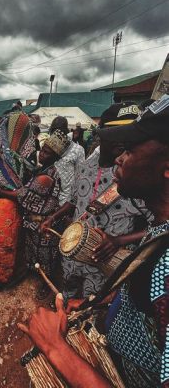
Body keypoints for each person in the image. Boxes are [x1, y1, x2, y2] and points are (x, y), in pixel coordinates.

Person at [19, 95, 169, 387]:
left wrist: (56, 348)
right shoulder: (160, 230)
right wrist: (98, 302)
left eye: (131, 149)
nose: (119, 158)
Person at [42, 103, 150, 302]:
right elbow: (74, 202)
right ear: (102, 135)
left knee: (92, 306)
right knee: (67, 297)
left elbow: (160, 228)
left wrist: (118, 241)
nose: (124, 140)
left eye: (130, 134)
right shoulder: (85, 167)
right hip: (73, 255)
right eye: (117, 133)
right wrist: (53, 217)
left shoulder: (136, 175)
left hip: (106, 262)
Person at [0, 130, 69, 298]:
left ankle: (47, 287)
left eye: (48, 152)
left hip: (43, 224)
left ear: (56, 157)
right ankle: (34, 274)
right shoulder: (43, 170)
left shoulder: (45, 178)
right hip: (34, 222)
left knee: (45, 257)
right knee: (33, 253)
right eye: (43, 149)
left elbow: (23, 195)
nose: (42, 154)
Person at [49, 116, 85, 209]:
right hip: (48, 197)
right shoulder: (48, 146)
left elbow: (80, 176)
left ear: (66, 131)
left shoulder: (78, 150)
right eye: (54, 132)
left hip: (66, 201)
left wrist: (74, 201)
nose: (57, 135)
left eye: (60, 131)